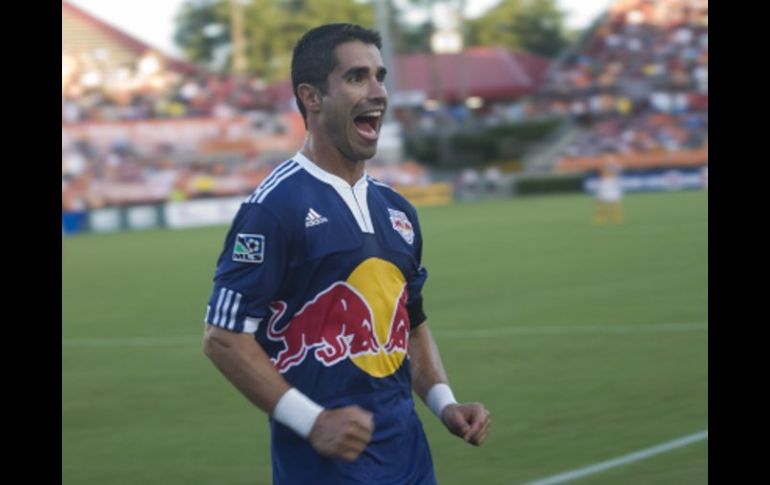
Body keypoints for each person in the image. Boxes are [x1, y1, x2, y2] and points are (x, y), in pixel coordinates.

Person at [202, 23, 491, 484]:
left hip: (411, 464)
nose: (377, 91)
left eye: (380, 76)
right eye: (357, 77)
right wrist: (313, 422)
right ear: (312, 97)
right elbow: (223, 337)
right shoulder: (274, 208)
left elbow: (410, 323)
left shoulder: (398, 210)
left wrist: (444, 402)